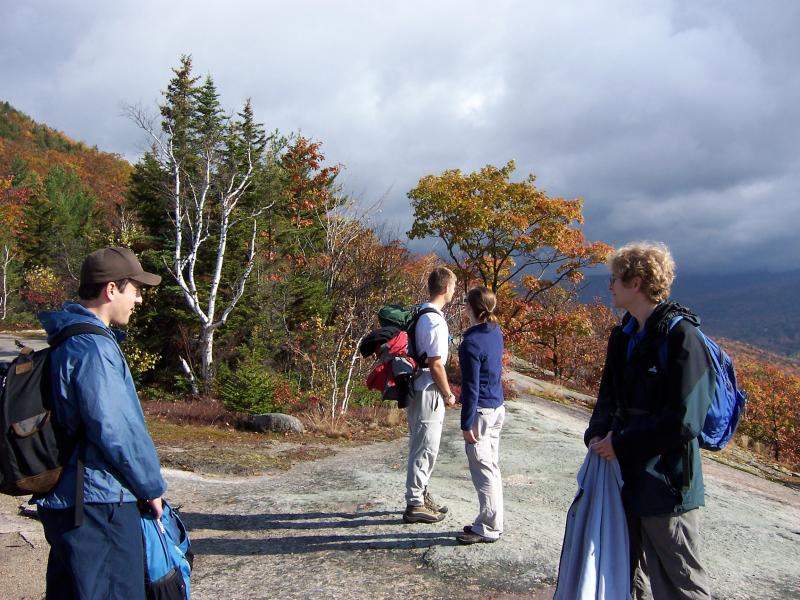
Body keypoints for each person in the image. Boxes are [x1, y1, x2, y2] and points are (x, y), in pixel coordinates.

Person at [35, 247, 168, 599]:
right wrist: (150, 486)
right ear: (112, 290)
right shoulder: (93, 348)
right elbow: (115, 429)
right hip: (98, 503)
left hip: (72, 498)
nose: (138, 300)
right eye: (135, 290)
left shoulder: (68, 338)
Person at [585, 241, 714, 600]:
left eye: (614, 279)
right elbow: (608, 398)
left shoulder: (682, 337)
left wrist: (621, 443)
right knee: (625, 575)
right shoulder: (623, 335)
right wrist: (596, 435)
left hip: (668, 484)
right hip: (625, 479)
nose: (609, 286)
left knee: (680, 583)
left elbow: (685, 420)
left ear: (636, 282)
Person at [403, 266, 458, 524]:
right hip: (428, 389)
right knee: (425, 446)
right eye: (454, 287)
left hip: (418, 386)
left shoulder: (421, 313)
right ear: (446, 288)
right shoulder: (434, 319)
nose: (454, 292)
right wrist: (447, 393)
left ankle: (422, 495)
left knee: (423, 443)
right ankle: (415, 503)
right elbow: (435, 363)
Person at [456, 286, 505, 545]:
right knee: (492, 466)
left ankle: (488, 526)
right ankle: (492, 520)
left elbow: (470, 387)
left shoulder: (470, 344)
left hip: (481, 412)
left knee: (483, 470)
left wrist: (466, 423)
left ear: (470, 308)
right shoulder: (495, 333)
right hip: (497, 408)